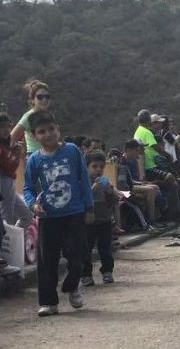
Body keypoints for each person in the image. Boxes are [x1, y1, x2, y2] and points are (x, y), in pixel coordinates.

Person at [23, 111, 93, 317]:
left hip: (74, 212)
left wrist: (89, 208)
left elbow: (83, 180)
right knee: (47, 261)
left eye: (51, 129)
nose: (48, 134)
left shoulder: (71, 151)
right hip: (48, 216)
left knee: (77, 252)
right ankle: (48, 302)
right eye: (42, 132)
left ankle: (73, 285)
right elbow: (27, 188)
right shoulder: (34, 161)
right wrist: (32, 206)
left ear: (58, 129)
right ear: (35, 136)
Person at [81, 152, 116, 286]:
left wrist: (110, 193)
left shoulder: (105, 182)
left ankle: (107, 271)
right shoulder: (83, 183)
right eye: (94, 167)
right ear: (87, 168)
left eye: (101, 167)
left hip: (104, 220)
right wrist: (92, 190)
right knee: (86, 249)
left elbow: (111, 202)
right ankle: (86, 274)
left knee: (105, 248)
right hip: (88, 222)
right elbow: (81, 199)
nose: (98, 170)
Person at [0, 113, 33, 229]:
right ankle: (6, 245)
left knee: (26, 216)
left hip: (9, 182)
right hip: (3, 182)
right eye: (2, 126)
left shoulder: (7, 145)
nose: (6, 130)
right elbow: (9, 167)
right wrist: (16, 156)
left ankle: (15, 243)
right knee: (6, 220)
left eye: (8, 126)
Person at [11, 79, 51, 156]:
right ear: (32, 100)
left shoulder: (48, 115)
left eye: (47, 96)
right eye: (40, 97)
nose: (44, 99)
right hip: (35, 158)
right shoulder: (28, 117)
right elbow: (11, 139)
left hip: (49, 156)